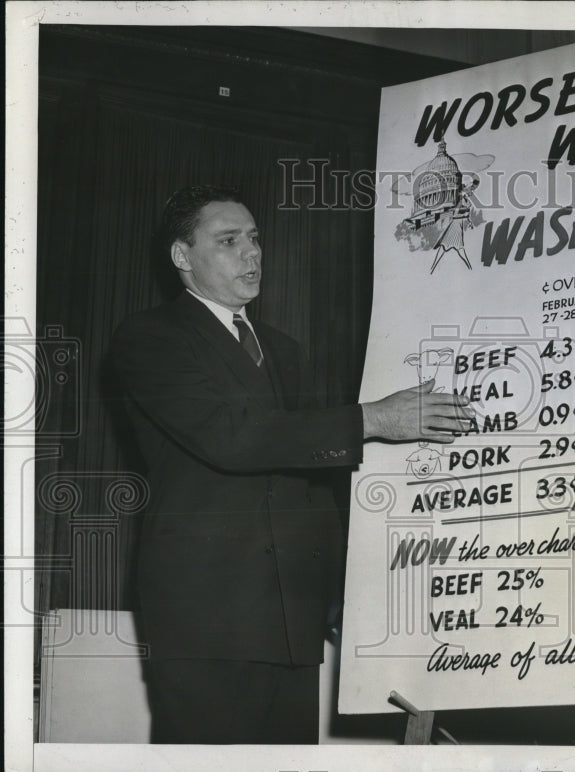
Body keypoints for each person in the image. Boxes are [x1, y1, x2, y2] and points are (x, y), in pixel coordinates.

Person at [111, 184, 472, 744]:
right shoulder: (150, 337)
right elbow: (230, 438)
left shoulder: (285, 350)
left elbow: (314, 485)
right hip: (207, 616)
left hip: (291, 619)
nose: (252, 254)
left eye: (255, 240)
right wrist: (369, 419)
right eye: (229, 241)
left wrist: (333, 591)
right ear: (182, 257)